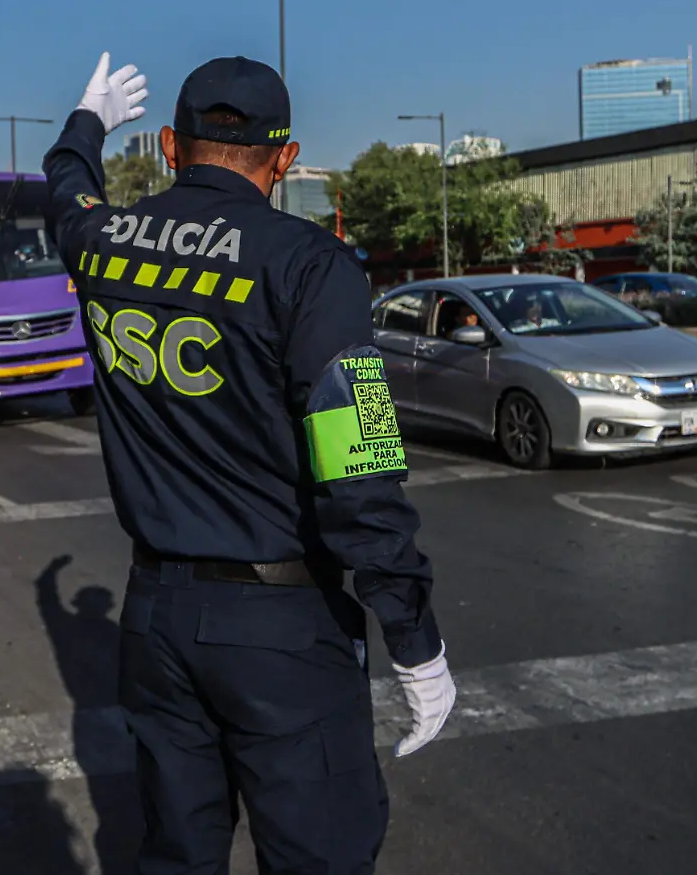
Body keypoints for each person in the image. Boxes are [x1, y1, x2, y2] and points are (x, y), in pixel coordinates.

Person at [41, 53, 455, 874]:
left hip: (155, 618)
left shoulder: (103, 242)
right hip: (282, 631)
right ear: (287, 158)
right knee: (319, 854)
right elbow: (361, 461)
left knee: (177, 853)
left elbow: (66, 189)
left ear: (169, 145)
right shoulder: (310, 264)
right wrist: (413, 637)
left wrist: (87, 121)